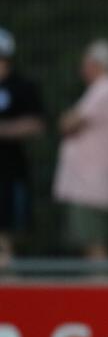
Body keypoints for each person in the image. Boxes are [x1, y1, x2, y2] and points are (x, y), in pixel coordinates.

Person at [52, 39, 108, 260]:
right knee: (90, 241)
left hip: (90, 183)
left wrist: (67, 120)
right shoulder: (104, 90)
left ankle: (100, 289)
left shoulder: (105, 90)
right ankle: (97, 287)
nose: (83, 68)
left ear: (97, 64)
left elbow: (69, 123)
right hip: (88, 182)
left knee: (93, 242)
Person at [0, 26, 45, 266]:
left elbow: (37, 124)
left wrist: (5, 130)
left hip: (11, 169)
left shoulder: (22, 86)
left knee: (8, 228)